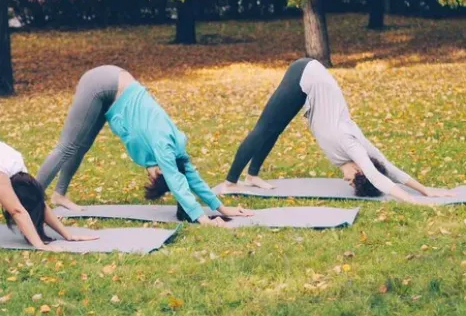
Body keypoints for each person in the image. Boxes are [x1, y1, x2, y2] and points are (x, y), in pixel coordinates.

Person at [37, 66, 253, 226]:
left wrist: (223, 209)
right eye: (155, 177)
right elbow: (177, 181)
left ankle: (60, 195)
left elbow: (191, 177)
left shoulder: (176, 147)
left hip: (114, 90)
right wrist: (204, 219)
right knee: (66, 147)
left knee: (80, 146)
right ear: (162, 171)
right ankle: (28, 199)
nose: (150, 176)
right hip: (102, 83)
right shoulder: (164, 147)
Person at [222, 58, 454, 204]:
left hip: (313, 85)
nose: (346, 180)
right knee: (264, 129)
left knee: (275, 130)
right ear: (359, 170)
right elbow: (378, 176)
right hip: (305, 73)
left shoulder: (356, 148)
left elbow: (390, 168)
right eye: (353, 181)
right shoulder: (349, 143)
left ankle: (252, 176)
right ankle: (230, 181)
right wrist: (412, 201)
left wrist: (425, 190)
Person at [0, 141, 98, 251]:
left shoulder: (15, 166)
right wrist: (40, 245)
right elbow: (17, 210)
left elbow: (37, 201)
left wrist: (68, 235)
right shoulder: (7, 168)